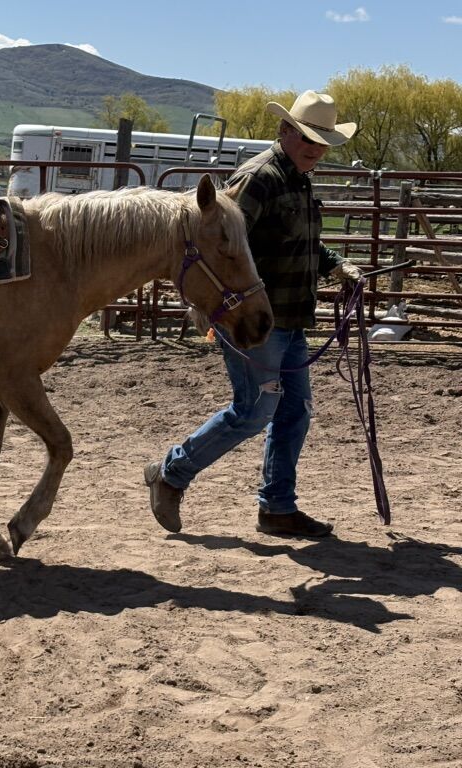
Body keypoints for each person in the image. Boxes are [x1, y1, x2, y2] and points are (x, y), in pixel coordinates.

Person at [145, 90, 363, 538]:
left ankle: (277, 507)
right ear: (285, 131)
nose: (315, 148)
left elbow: (301, 241)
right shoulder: (258, 178)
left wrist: (334, 263)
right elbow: (219, 245)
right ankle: (171, 472)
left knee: (293, 412)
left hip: (290, 318)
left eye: (322, 142)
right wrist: (208, 305)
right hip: (253, 320)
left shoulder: (298, 178)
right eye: (308, 137)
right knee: (255, 411)